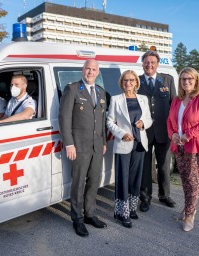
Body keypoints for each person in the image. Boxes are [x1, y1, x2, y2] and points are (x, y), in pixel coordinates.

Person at [58, 59, 107, 237]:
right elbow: (64, 119)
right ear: (82, 70)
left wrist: (103, 142)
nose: (90, 72)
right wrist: (69, 144)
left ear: (98, 72)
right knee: (78, 183)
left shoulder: (101, 92)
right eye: (88, 68)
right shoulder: (72, 89)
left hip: (96, 146)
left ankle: (90, 214)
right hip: (79, 146)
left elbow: (101, 121)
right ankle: (77, 219)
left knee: (94, 181)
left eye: (94, 69)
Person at [167, 67, 199, 232]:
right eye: (183, 79)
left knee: (193, 181)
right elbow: (169, 121)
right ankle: (188, 207)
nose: (186, 82)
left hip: (194, 146)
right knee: (185, 180)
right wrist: (172, 134)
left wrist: (189, 134)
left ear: (196, 81)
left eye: (190, 79)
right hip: (178, 146)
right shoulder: (177, 100)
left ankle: (190, 214)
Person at [107, 70, 152, 228]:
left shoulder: (143, 99)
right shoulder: (116, 99)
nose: (128, 83)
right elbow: (110, 122)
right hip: (124, 144)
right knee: (123, 178)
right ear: (121, 82)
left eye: (132, 80)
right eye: (125, 80)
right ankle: (122, 213)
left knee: (135, 178)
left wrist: (143, 123)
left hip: (140, 143)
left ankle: (132, 208)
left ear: (136, 82)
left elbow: (148, 118)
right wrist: (122, 133)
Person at [137, 50, 177, 212]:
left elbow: (174, 106)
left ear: (157, 64)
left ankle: (164, 195)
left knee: (163, 166)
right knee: (145, 167)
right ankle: (145, 198)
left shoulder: (167, 80)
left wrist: (174, 131)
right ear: (143, 64)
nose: (149, 65)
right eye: (147, 62)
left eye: (152, 62)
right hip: (144, 132)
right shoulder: (137, 81)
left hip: (164, 131)